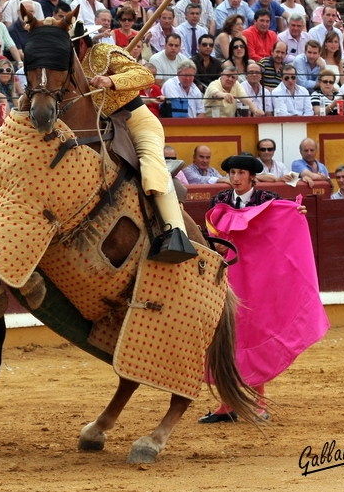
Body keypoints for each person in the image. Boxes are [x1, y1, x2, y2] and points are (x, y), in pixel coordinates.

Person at [199, 154, 321, 425]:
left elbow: (285, 219)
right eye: (232, 173)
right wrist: (215, 244)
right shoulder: (220, 201)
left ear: (252, 176)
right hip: (228, 278)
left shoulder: (266, 199)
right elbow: (209, 236)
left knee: (256, 331)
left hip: (258, 280)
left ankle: (258, 402)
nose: (235, 178)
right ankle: (226, 403)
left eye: (241, 173)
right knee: (224, 336)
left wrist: (297, 212)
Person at [69, 32, 196, 261]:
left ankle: (176, 234)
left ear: (81, 42)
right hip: (104, 130)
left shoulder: (103, 52)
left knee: (151, 164)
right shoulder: (69, 68)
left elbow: (145, 75)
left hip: (137, 121)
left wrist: (112, 80)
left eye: (69, 45)